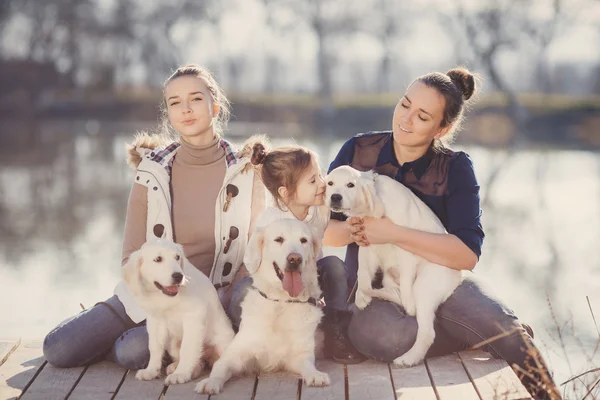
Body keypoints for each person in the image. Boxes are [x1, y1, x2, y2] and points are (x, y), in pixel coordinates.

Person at [325, 67, 560, 399]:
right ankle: (469, 335)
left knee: (505, 328)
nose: (405, 120)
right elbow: (323, 232)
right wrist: (356, 229)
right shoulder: (359, 151)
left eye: (422, 116)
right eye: (404, 105)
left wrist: (393, 232)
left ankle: (547, 390)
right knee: (380, 338)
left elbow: (466, 255)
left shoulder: (456, 167)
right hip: (377, 285)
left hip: (437, 274)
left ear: (442, 128)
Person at [43, 64, 266, 370]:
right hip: (146, 294)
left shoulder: (246, 171)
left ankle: (122, 342)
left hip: (205, 303)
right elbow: (129, 257)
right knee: (58, 350)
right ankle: (104, 323)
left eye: (195, 99)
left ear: (215, 107)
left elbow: (253, 258)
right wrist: (156, 303)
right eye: (175, 102)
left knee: (133, 352)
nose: (185, 109)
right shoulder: (151, 171)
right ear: (169, 113)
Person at [226, 135, 366, 364]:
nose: (322, 184)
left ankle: (336, 328)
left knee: (333, 266)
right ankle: (240, 334)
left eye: (320, 175)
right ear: (285, 192)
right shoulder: (271, 221)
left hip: (308, 281)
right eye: (313, 181)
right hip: (271, 286)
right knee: (244, 290)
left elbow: (352, 201)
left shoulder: (320, 208)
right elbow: (253, 263)